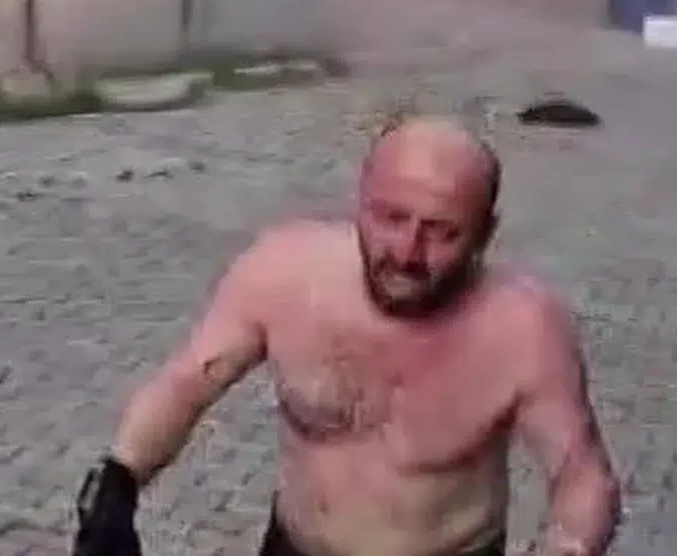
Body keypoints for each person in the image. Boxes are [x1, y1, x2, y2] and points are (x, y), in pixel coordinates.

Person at [73, 116, 622, 556]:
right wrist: (117, 484)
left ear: (486, 234)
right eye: (391, 218)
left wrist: (569, 546)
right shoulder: (284, 273)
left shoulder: (524, 328)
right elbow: (185, 384)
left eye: (442, 232)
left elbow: (582, 475)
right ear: (360, 201)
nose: (406, 254)